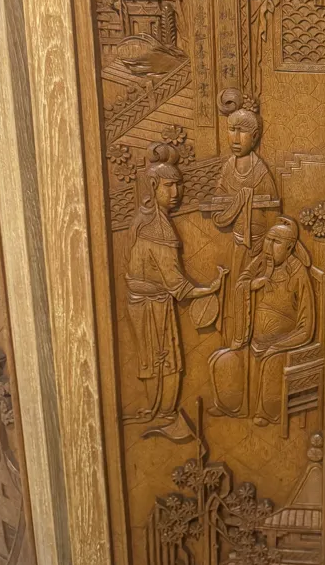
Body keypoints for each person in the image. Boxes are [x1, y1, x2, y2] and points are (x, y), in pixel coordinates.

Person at [126, 143, 226, 430]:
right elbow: (177, 285)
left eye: (179, 186)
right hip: (153, 306)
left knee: (150, 358)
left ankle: (157, 411)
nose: (176, 193)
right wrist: (211, 288)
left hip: (140, 301)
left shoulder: (140, 220)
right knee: (164, 358)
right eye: (169, 186)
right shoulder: (158, 229)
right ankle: (164, 413)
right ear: (153, 186)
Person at [213, 216, 315, 427]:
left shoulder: (298, 272)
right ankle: (232, 406)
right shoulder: (261, 262)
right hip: (252, 340)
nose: (268, 246)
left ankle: (266, 412)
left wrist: (279, 344)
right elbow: (241, 284)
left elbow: (306, 324)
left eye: (276, 242)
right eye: (268, 239)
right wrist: (252, 285)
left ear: (289, 248)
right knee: (223, 359)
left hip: (281, 345)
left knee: (270, 362)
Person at [210, 89, 279, 350]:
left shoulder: (260, 171)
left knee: (252, 290)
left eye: (243, 132)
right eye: (231, 130)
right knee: (234, 291)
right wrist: (238, 202)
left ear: (256, 136)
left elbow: (274, 216)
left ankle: (249, 337)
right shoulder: (228, 167)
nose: (235, 139)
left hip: (259, 246)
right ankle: (234, 334)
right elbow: (218, 209)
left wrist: (266, 247)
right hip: (238, 244)